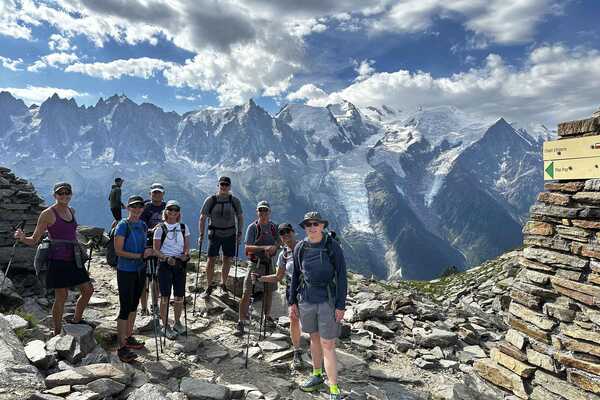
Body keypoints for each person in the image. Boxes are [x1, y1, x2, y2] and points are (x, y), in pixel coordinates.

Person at [14, 182, 94, 336]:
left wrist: (83, 244)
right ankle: (57, 333)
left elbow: (71, 234)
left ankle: (77, 320)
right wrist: (22, 237)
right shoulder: (47, 214)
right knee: (61, 296)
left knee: (88, 290)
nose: (64, 196)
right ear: (54, 195)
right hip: (57, 260)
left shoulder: (71, 210)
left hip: (74, 258)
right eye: (60, 193)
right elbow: (34, 239)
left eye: (67, 193)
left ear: (71, 194)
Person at [289, 212, 347, 400]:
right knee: (314, 339)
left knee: (328, 344)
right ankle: (316, 375)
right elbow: (296, 276)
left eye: (316, 224)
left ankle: (334, 388)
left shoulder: (332, 247)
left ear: (322, 226)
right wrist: (292, 301)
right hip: (306, 299)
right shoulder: (300, 247)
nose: (312, 227)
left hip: (327, 300)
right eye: (308, 224)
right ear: (305, 227)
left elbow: (341, 276)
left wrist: (340, 305)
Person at [114, 195, 154, 363]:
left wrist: (148, 251)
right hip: (125, 270)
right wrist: (139, 255)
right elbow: (119, 251)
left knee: (134, 304)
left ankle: (129, 337)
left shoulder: (143, 225)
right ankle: (121, 347)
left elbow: (143, 244)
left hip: (139, 270)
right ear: (128, 208)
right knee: (125, 307)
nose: (137, 210)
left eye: (140, 207)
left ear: (143, 209)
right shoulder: (123, 225)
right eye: (134, 207)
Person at [258, 222, 303, 368]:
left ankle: (320, 349)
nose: (285, 235)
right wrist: (261, 278)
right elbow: (278, 277)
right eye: (282, 233)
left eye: (287, 231)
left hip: (309, 288)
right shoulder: (283, 255)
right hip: (292, 288)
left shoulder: (305, 247)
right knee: (293, 318)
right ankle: (297, 351)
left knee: (312, 319)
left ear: (293, 231)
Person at [235, 200, 280, 336]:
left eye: (265, 210)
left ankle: (266, 316)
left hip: (269, 264)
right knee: (247, 291)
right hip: (255, 264)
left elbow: (279, 241)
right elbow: (247, 247)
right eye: (260, 210)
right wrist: (264, 248)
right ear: (257, 212)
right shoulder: (253, 228)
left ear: (269, 212)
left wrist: (275, 247)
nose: (263, 213)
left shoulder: (273, 227)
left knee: (269, 291)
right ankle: (241, 320)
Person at [198, 176, 243, 298]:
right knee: (211, 259)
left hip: (230, 234)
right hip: (215, 234)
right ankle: (208, 286)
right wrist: (201, 234)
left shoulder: (234, 201)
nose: (224, 187)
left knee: (227, 259)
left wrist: (239, 234)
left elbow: (240, 217)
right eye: (221, 185)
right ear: (218, 186)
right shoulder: (211, 200)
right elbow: (202, 218)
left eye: (226, 185)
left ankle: (223, 285)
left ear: (229, 187)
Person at [153, 200, 190, 339]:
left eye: (176, 210)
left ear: (179, 212)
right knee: (165, 296)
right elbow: (156, 250)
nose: (173, 212)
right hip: (165, 264)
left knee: (179, 295)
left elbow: (187, 246)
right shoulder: (160, 228)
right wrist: (165, 258)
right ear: (166, 212)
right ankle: (165, 325)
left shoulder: (184, 227)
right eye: (170, 209)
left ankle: (177, 322)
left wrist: (186, 255)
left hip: (179, 263)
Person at [139, 182, 166, 315]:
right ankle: (144, 308)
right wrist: (152, 230)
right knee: (145, 278)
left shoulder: (167, 208)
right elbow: (140, 226)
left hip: (162, 247)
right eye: (154, 192)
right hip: (147, 246)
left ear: (163, 194)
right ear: (150, 194)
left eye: (159, 192)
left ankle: (155, 305)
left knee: (156, 278)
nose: (156, 194)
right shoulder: (145, 207)